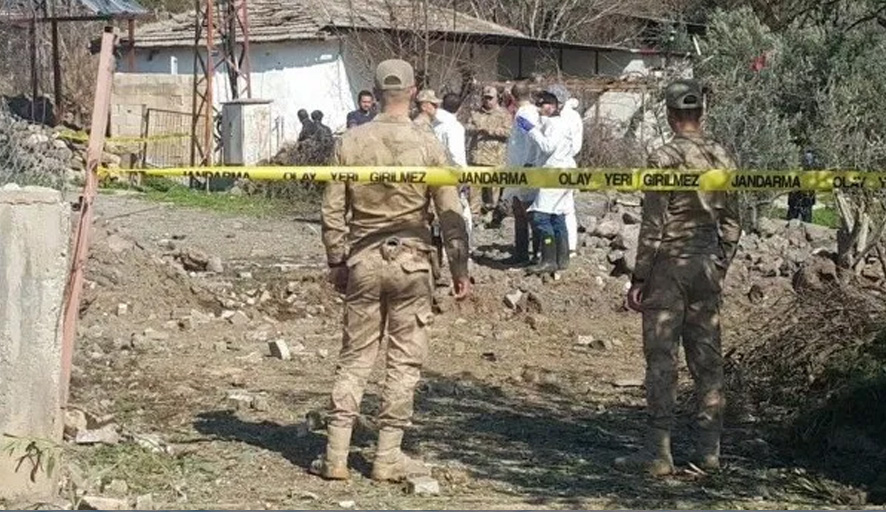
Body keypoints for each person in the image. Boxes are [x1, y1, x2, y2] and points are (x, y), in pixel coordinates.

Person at [312, 59, 471, 483]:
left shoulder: (350, 141)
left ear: (375, 90)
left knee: (355, 359)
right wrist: (460, 266)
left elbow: (332, 210)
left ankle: (335, 455)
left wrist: (336, 260)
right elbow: (450, 213)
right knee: (403, 363)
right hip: (413, 263)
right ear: (414, 91)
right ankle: (386, 457)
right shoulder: (428, 144)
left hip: (363, 259)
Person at [619, 78, 741, 477]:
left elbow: (653, 225)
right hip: (705, 264)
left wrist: (640, 277)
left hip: (668, 265)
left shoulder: (664, 158)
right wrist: (719, 264)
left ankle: (658, 451)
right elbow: (732, 223)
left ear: (670, 115)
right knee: (707, 360)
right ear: (700, 113)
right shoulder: (722, 157)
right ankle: (709, 451)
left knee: (662, 359)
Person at [515, 84, 575, 276]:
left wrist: (531, 130)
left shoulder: (556, 124)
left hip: (554, 174)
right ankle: (562, 258)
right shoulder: (557, 123)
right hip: (558, 173)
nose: (540, 107)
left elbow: (547, 146)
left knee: (540, 216)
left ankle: (548, 259)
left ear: (555, 106)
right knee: (556, 215)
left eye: (545, 103)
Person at [502, 81, 540, 266]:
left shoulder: (525, 115)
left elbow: (533, 139)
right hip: (517, 168)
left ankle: (536, 253)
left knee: (528, 211)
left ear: (512, 96)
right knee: (518, 211)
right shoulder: (523, 113)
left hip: (525, 167)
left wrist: (529, 162)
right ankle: (521, 252)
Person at [465, 85, 512, 224]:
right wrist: (475, 129)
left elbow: (508, 132)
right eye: (485, 98)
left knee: (493, 190)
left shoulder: (504, 114)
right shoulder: (476, 113)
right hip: (477, 157)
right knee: (474, 188)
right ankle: (474, 215)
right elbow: (467, 127)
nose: (487, 101)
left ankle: (491, 214)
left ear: (497, 98)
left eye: (490, 98)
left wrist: (489, 130)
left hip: (495, 158)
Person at [561, 97, 584, 256]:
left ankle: (561, 247)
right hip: (568, 164)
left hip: (560, 165)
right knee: (568, 208)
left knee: (560, 209)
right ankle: (570, 246)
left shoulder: (561, 118)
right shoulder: (574, 116)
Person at [787, 148, 817, 222]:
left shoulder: (812, 172)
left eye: (809, 160)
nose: (808, 162)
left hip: (806, 198)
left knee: (806, 219)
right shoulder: (798, 170)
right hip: (796, 197)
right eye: (806, 160)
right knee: (793, 218)